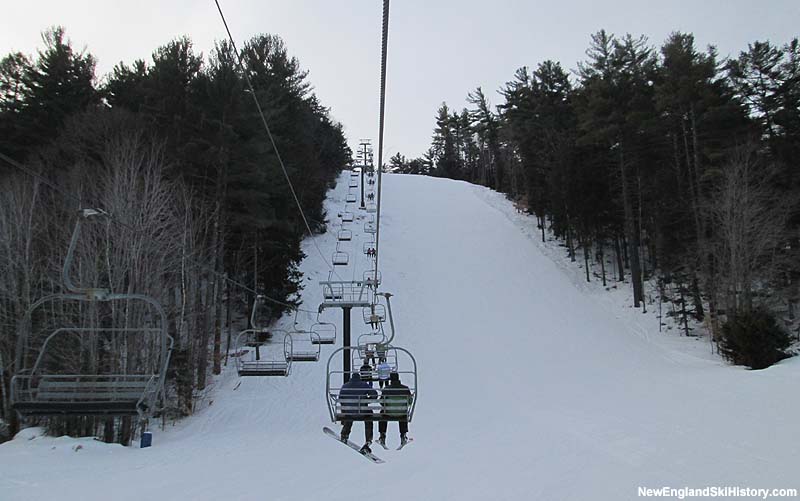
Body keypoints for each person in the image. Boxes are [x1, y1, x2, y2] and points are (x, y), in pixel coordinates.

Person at [339, 373, 377, 452]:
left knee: (349, 416)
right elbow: (374, 394)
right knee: (369, 416)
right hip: (362, 412)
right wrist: (367, 399)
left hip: (349, 412)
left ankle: (344, 434)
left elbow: (340, 399)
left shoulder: (345, 386)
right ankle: (368, 440)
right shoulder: (364, 385)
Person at [378, 372, 412, 448]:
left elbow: (381, 402)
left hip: (389, 413)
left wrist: (387, 405)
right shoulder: (405, 388)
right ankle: (403, 435)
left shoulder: (386, 389)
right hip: (402, 413)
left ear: (390, 379)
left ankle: (382, 435)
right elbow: (410, 401)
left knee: (382, 413)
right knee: (403, 414)